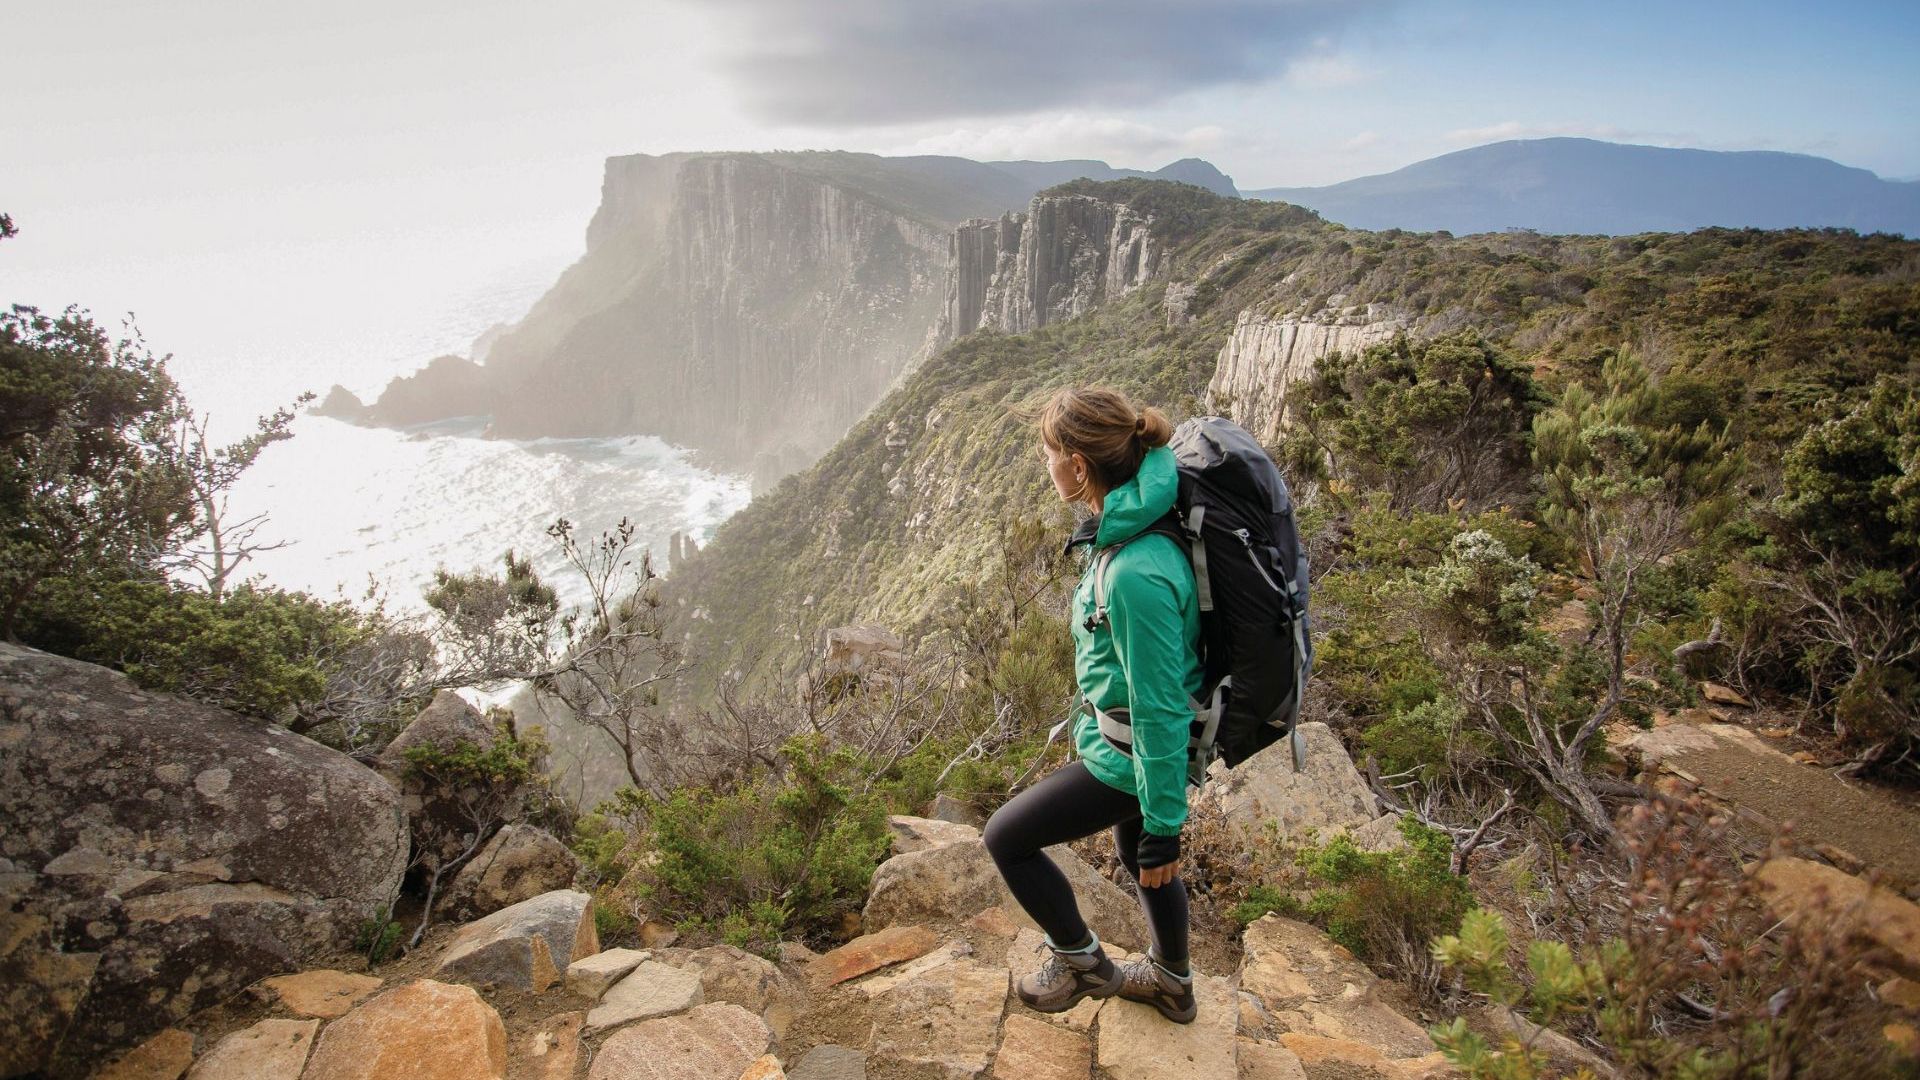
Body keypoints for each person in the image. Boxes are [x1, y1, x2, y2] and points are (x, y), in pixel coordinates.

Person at [983, 386, 1203, 1023]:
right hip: (1131, 745)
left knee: (1007, 837)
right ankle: (1172, 981)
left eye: (1047, 454)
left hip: (1137, 753)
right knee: (1139, 857)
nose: (1043, 465)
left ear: (1078, 466)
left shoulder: (1136, 570)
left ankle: (1081, 962)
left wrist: (1166, 823)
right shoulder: (1133, 518)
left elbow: (1161, 707)